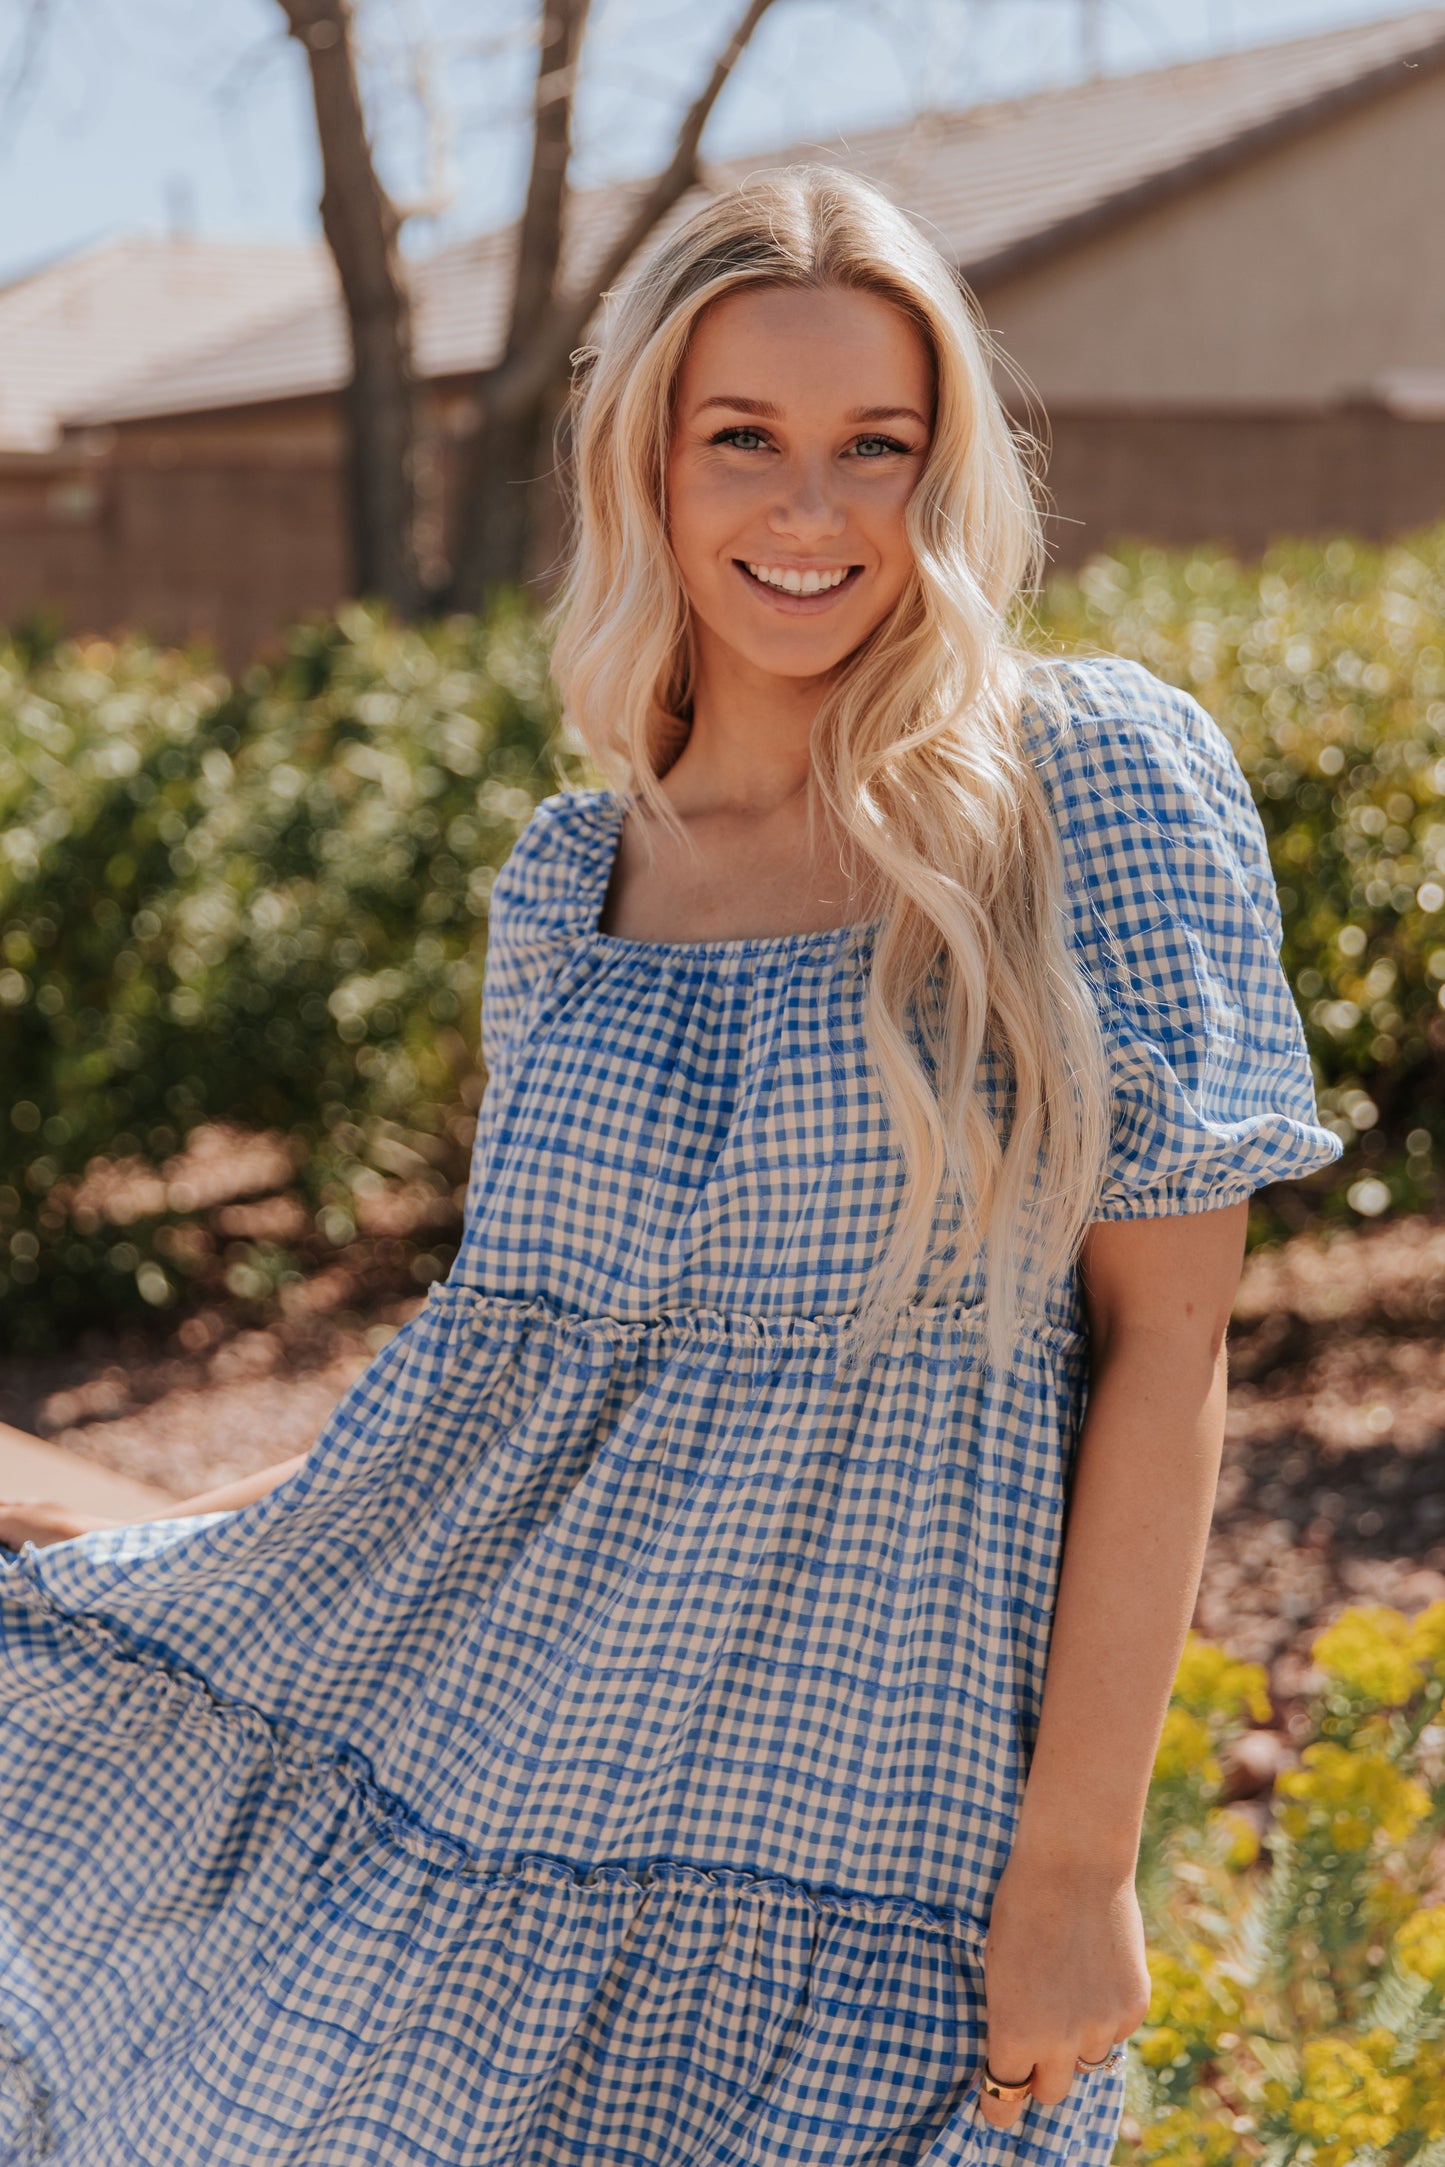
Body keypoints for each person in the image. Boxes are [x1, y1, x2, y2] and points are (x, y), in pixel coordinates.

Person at [0, 167, 1340, 2166]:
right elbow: (511, 1391)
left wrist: (1079, 1866)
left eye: (876, 448)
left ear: (943, 471)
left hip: (877, 1877)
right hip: (510, 1819)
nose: (811, 512)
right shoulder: (571, 885)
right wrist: (135, 1557)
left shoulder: (1093, 787)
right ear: (647, 460)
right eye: (746, 442)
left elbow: (1169, 1350)